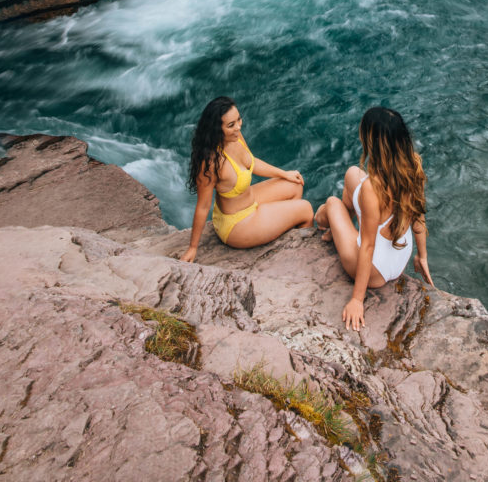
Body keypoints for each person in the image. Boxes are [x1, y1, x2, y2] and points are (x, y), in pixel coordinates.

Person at [315, 106, 433, 330]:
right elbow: (418, 219)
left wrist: (357, 300)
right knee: (352, 174)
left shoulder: (372, 188)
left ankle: (327, 223)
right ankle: (336, 229)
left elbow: (367, 246)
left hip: (376, 271)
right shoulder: (413, 165)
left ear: (372, 143)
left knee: (331, 204)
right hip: (400, 257)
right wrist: (422, 257)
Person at [180, 96, 314, 261]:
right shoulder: (210, 162)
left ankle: (283, 232)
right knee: (306, 209)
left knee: (295, 185)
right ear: (216, 129)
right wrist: (193, 248)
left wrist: (284, 173)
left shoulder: (234, 136)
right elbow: (203, 206)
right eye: (231, 125)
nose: (238, 127)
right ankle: (300, 258)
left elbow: (251, 161)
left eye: (238, 120)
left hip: (251, 202)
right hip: (237, 224)